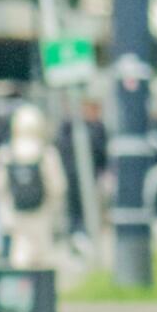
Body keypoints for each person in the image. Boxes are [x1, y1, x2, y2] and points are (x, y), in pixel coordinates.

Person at [0, 104, 68, 269]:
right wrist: (52, 206)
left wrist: (8, 204)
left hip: (15, 214)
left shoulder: (6, 153)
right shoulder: (47, 153)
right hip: (41, 213)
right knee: (43, 257)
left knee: (19, 254)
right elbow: (58, 187)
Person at [56, 98, 109, 248]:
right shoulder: (70, 127)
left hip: (90, 175)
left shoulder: (97, 127)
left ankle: (84, 234)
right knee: (74, 207)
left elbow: (101, 153)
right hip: (72, 174)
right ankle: (75, 234)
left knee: (88, 206)